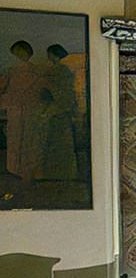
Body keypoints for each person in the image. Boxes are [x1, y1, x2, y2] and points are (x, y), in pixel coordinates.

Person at [0, 41, 51, 182]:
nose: (18, 55)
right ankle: (18, 170)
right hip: (17, 109)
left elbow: (43, 93)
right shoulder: (12, 70)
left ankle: (26, 172)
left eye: (20, 52)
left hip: (26, 109)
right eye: (16, 53)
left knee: (27, 139)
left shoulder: (33, 71)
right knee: (17, 139)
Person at [40, 44, 81, 181]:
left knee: (57, 143)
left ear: (53, 54)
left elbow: (51, 92)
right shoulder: (65, 70)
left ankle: (59, 175)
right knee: (64, 143)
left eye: (49, 53)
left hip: (57, 110)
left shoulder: (55, 71)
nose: (48, 56)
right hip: (64, 109)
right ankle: (66, 174)